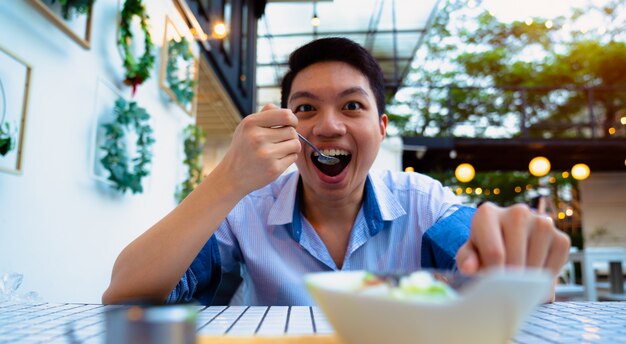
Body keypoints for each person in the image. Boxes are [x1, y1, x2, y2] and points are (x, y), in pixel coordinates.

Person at [102, 37, 570, 306]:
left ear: (381, 128)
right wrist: (228, 179)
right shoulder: (246, 209)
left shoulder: (423, 201)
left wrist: (517, 262)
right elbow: (125, 294)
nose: (327, 127)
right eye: (305, 108)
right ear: (285, 122)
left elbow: (492, 272)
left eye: (351, 105)